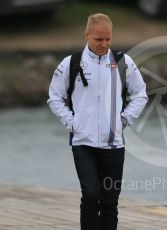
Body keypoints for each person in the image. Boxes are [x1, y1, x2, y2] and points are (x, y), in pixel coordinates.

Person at [47, 13, 148, 230]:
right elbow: (54, 97)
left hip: (114, 144)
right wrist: (72, 123)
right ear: (87, 35)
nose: (104, 44)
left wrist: (124, 120)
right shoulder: (71, 63)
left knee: (110, 202)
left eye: (108, 39)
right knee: (91, 194)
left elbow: (141, 94)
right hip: (83, 143)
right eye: (99, 39)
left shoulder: (123, 62)